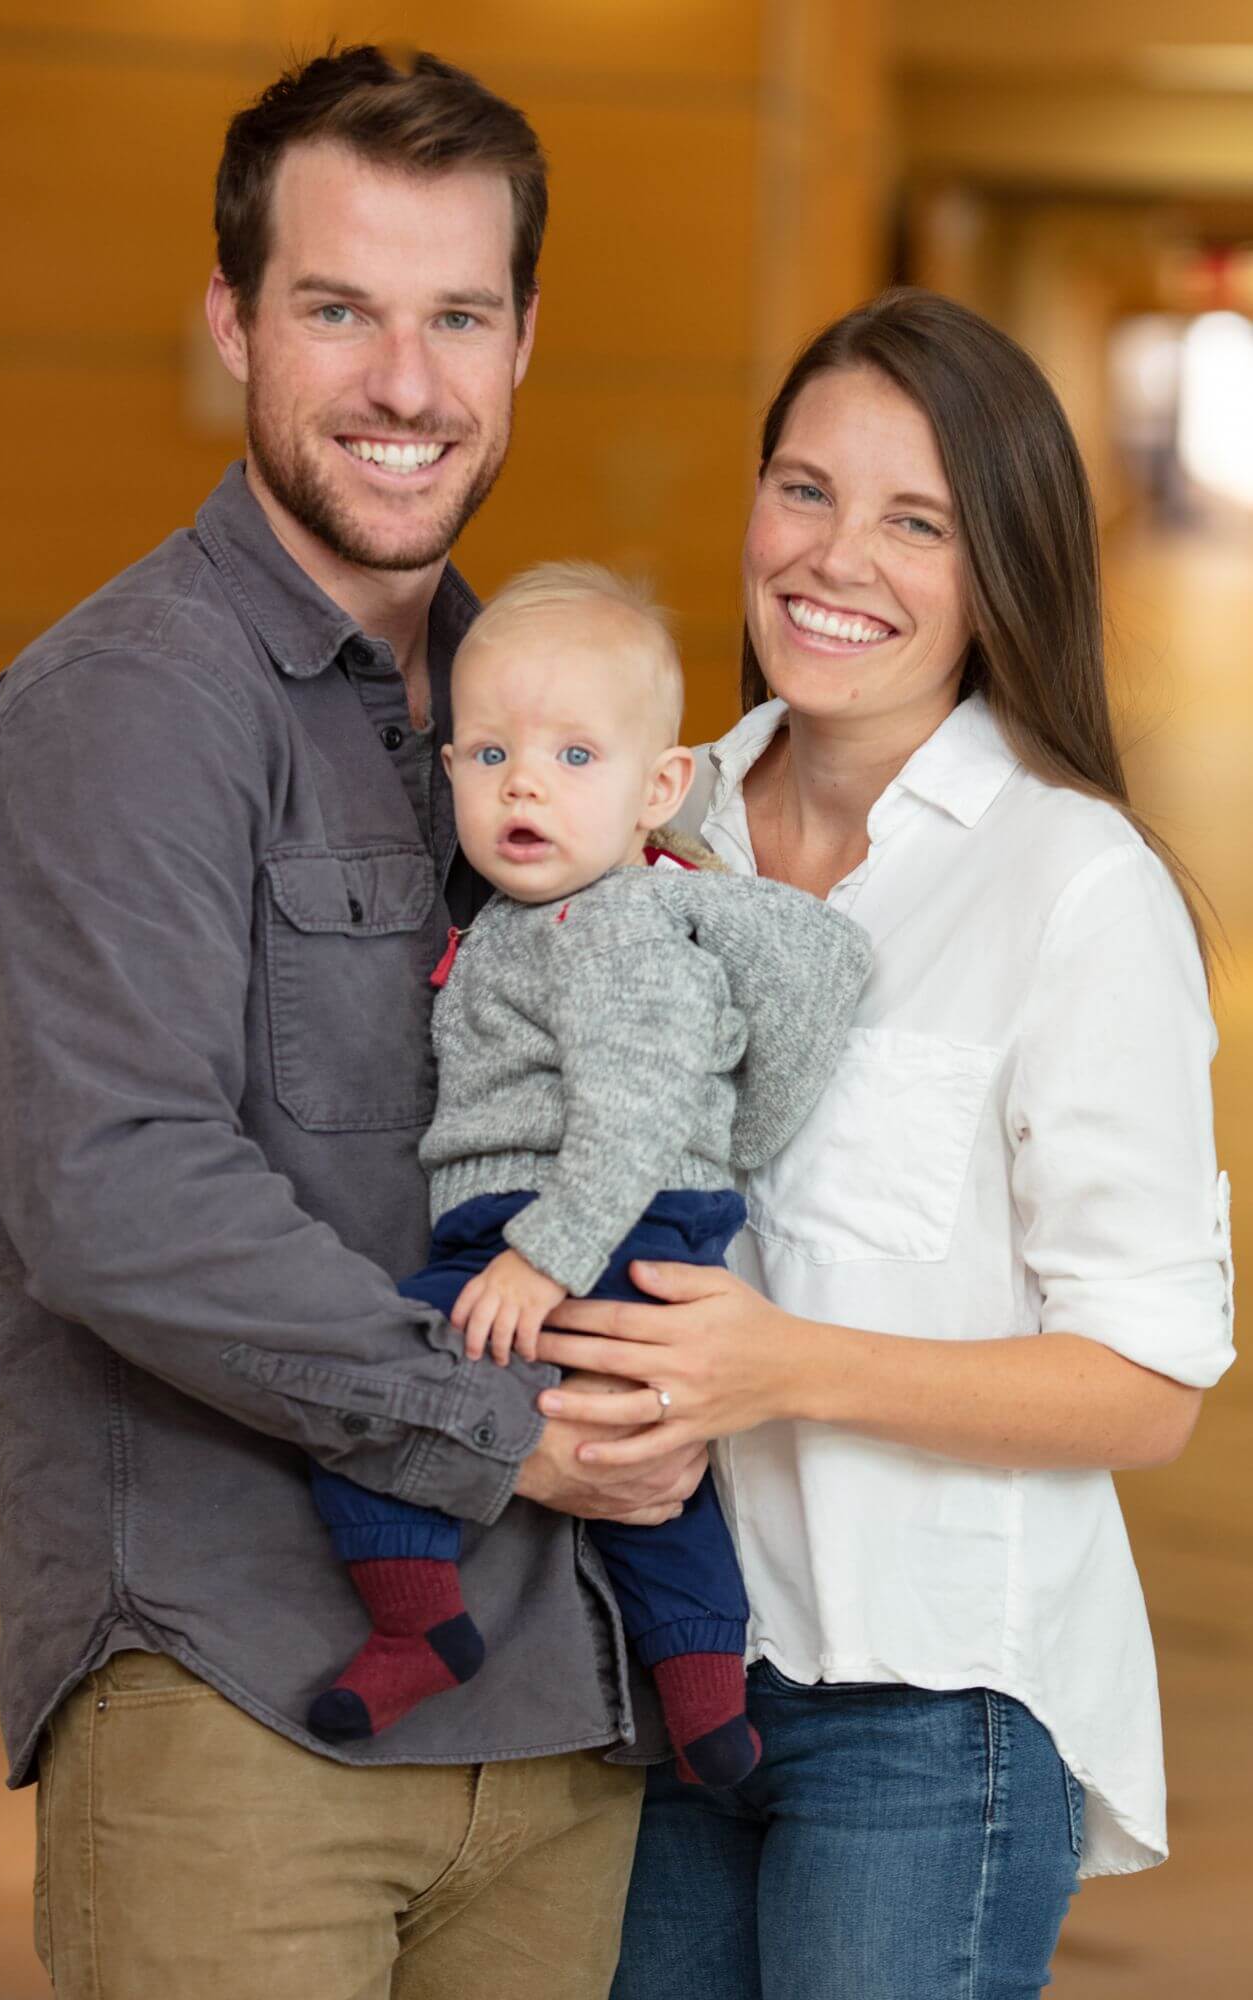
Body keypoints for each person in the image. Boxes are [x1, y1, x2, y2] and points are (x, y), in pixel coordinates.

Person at [0, 46, 704, 2000]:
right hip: (240, 1720)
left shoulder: (549, 712)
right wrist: (510, 1427)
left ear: (524, 339)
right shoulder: (118, 715)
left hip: (562, 1728)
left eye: (456, 314)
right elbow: (126, 1199)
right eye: (338, 308)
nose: (405, 383)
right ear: (232, 322)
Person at [531, 289, 1237, 2000]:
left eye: (913, 520)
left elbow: (1148, 1380)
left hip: (929, 1720)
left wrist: (779, 1366)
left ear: (995, 567)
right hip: (654, 1678)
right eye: (803, 489)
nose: (834, 557)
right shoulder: (646, 830)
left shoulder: (1069, 886)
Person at [304, 562, 870, 1786]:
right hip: (604, 1217)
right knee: (642, 1467)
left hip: (568, 1222)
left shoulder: (606, 921)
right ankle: (708, 1696)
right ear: (445, 766)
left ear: (657, 787)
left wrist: (543, 1251)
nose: (522, 783)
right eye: (488, 751)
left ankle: (416, 1619)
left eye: (573, 758)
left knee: (381, 1398)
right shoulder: (533, 915)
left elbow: (638, 1097)